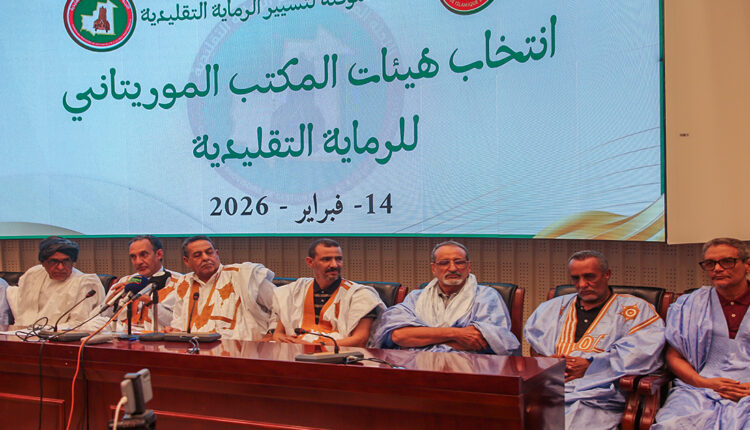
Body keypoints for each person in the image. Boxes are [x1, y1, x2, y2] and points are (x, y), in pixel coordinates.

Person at [524, 250, 665, 430]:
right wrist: (547, 362)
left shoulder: (636, 310)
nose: (582, 284)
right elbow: (535, 349)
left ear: (607, 274)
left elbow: (643, 354)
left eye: (589, 277)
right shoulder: (552, 307)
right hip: (551, 388)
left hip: (599, 395)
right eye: (576, 278)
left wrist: (591, 365)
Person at [653, 238, 750, 429]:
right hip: (698, 389)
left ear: (747, 265)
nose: (717, 269)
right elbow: (674, 356)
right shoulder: (689, 304)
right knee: (673, 424)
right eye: (710, 263)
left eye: (727, 262)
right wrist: (702, 382)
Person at [371, 241, 520, 355]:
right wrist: (457, 333)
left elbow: (481, 340)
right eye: (444, 263)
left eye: (459, 262)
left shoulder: (486, 296)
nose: (453, 268)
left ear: (468, 267)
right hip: (418, 368)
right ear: (434, 268)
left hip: (471, 370)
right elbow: (399, 336)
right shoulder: (415, 298)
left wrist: (421, 338)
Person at [270, 238, 385, 347]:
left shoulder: (360, 295)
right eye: (326, 259)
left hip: (340, 356)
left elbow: (360, 340)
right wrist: (281, 338)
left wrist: (314, 346)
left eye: (338, 259)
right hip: (295, 352)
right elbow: (279, 332)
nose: (334, 265)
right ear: (310, 262)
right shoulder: (295, 290)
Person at [167, 235, 275, 340]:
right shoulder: (184, 283)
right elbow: (179, 321)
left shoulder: (244, 275)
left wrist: (272, 333)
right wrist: (175, 331)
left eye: (209, 252)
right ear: (186, 261)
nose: (205, 258)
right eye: (197, 255)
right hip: (196, 348)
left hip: (246, 348)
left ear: (217, 254)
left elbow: (280, 304)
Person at [5, 236, 105, 328]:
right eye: (54, 261)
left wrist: (45, 330)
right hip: (25, 334)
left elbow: (78, 324)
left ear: (72, 262)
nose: (60, 267)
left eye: (66, 261)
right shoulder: (33, 274)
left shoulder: (84, 283)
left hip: (61, 337)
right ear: (43, 263)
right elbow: (24, 315)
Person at [105, 235, 180, 332]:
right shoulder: (126, 281)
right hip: (123, 333)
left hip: (156, 335)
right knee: (92, 324)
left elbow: (178, 323)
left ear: (159, 254)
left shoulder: (179, 282)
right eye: (133, 257)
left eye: (143, 255)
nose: (138, 262)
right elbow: (102, 316)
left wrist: (150, 302)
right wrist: (112, 301)